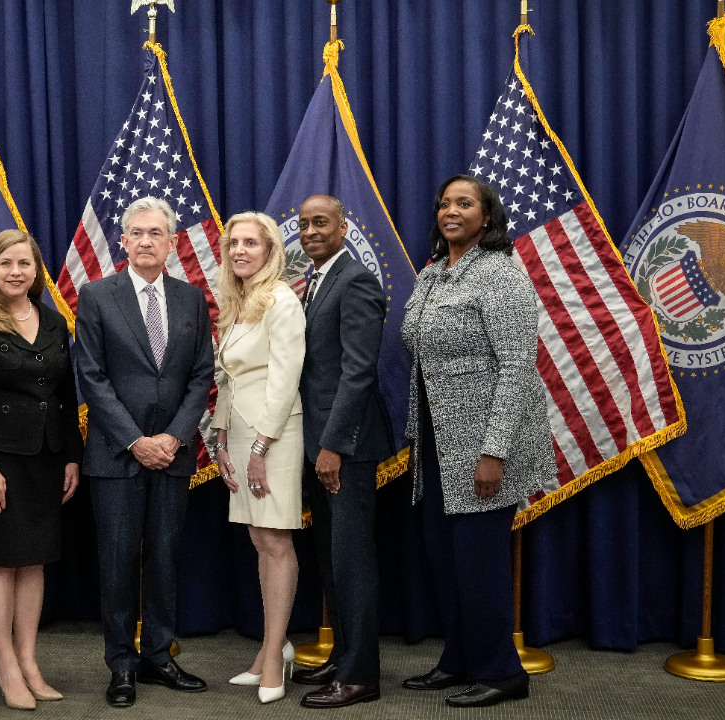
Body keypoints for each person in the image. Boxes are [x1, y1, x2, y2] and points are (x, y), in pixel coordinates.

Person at [400, 175, 552, 708]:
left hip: (484, 445)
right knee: (445, 557)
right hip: (438, 445)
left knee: (479, 562)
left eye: (464, 203)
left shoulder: (500, 275)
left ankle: (502, 672)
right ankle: (458, 659)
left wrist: (495, 452)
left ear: (487, 217)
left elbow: (516, 369)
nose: (451, 211)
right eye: (445, 203)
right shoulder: (433, 274)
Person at [74, 195, 215, 708]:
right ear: (124, 241)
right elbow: (91, 376)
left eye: (157, 233)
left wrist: (174, 437)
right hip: (116, 456)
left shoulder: (191, 299)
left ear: (172, 242)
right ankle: (122, 665)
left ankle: (158, 656)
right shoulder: (96, 296)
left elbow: (202, 374)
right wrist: (135, 441)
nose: (147, 241)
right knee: (117, 561)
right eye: (138, 232)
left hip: (174, 453)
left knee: (164, 557)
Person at [0, 229, 82, 711]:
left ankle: (29, 661)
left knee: (34, 561)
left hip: (46, 460)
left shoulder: (52, 321)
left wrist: (72, 455)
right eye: (6, 263)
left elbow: (66, 397)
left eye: (24, 264)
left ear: (35, 270)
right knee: (1, 560)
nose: (15, 272)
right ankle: (5, 663)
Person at [288, 195, 394, 709]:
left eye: (320, 222)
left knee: (352, 561)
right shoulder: (316, 281)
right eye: (304, 224)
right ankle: (344, 656)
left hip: (343, 448)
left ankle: (360, 675)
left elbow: (358, 372)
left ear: (344, 227)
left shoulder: (356, 282)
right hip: (317, 444)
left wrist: (332, 446)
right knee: (331, 560)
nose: (309, 231)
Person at [209, 212, 305, 704]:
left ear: (271, 251)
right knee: (257, 537)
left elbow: (285, 381)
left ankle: (272, 658)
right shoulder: (238, 303)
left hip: (277, 433)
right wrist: (221, 442)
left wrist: (262, 448)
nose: (240, 251)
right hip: (242, 434)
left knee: (275, 538)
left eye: (251, 243)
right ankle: (276, 644)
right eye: (233, 244)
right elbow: (228, 378)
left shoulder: (282, 300)